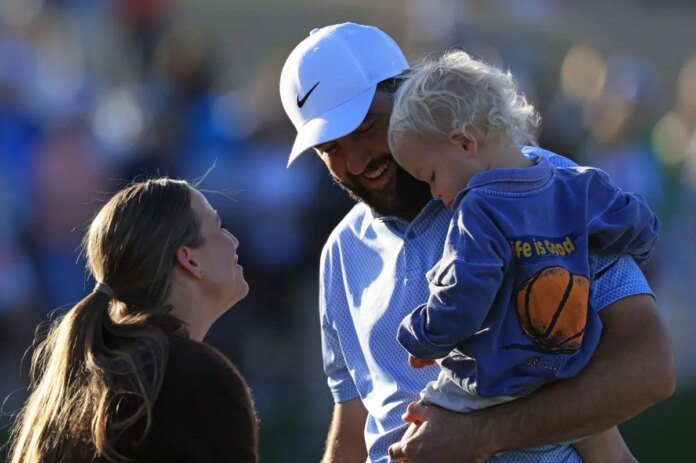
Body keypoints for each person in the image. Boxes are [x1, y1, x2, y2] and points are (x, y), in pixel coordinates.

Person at [279, 23, 674, 463]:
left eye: (367, 126)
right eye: (329, 148)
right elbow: (354, 427)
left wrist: (480, 436)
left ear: (408, 93)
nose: (355, 161)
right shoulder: (341, 251)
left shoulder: (540, 186)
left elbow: (648, 369)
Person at [387, 50, 659, 462]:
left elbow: (464, 296)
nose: (435, 195)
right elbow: (636, 222)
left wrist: (423, 337)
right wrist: (637, 245)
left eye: (431, 177)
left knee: (422, 432)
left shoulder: (478, 208)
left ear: (465, 142)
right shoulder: (575, 185)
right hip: (568, 369)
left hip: (497, 374)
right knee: (606, 447)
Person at [8, 178, 258, 463]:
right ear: (190, 260)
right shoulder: (195, 381)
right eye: (218, 227)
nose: (233, 241)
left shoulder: (81, 387)